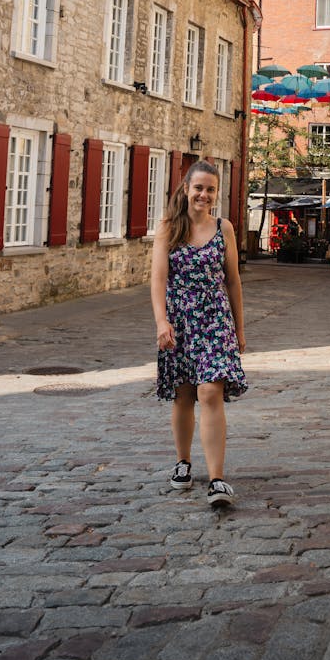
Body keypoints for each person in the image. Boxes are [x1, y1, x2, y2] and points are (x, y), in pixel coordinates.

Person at [150, 160, 247, 507]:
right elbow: (158, 281)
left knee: (210, 393)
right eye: (198, 188)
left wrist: (239, 327)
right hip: (179, 321)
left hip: (215, 320)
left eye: (210, 189)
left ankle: (218, 479)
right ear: (187, 189)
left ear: (216, 193)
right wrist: (162, 323)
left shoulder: (225, 229)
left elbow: (233, 280)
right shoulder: (168, 228)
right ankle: (183, 462)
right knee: (184, 394)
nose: (204, 195)